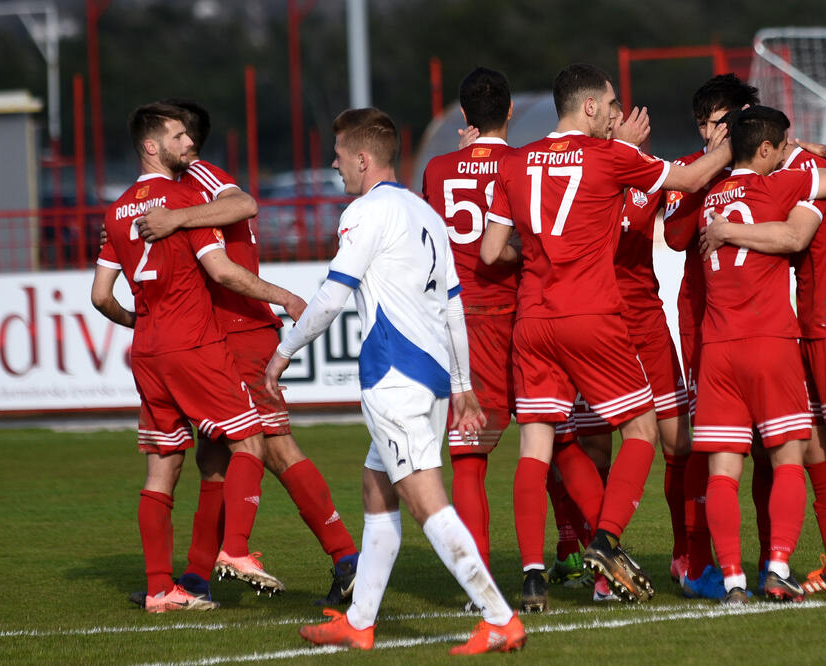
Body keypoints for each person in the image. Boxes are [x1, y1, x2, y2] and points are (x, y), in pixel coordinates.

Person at [265, 108, 525, 654]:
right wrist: (461, 385)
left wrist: (283, 351)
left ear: (363, 158)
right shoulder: (424, 213)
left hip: (394, 375)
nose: (333, 165)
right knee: (375, 489)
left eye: (338, 156)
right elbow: (454, 307)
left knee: (425, 500)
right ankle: (359, 622)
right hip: (428, 378)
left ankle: (499, 616)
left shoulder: (365, 212)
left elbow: (334, 296)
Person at [481, 63, 731, 609]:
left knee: (535, 446)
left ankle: (530, 578)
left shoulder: (516, 163)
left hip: (532, 319)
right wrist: (733, 145)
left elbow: (490, 251)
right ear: (590, 106)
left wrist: (545, 253)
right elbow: (689, 180)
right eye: (611, 101)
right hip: (591, 315)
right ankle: (607, 541)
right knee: (642, 430)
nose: (616, 110)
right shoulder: (609, 155)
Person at [133, 98, 360, 607]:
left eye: (184, 134)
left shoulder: (201, 175)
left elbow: (245, 203)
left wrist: (175, 220)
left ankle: (342, 558)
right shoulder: (167, 192)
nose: (184, 144)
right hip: (211, 337)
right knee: (214, 459)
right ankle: (194, 579)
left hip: (241, 331)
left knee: (272, 446)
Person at [91, 102, 301, 612]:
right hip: (194, 345)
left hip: (147, 350)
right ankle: (235, 550)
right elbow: (225, 273)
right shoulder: (184, 201)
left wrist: (138, 322)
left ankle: (161, 589)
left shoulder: (115, 211)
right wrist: (283, 296)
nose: (189, 143)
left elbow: (100, 297)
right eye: (178, 136)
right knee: (250, 440)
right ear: (151, 145)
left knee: (163, 468)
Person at [702, 140, 826, 600]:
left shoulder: (802, 172)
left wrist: (728, 231)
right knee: (812, 445)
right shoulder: (766, 181)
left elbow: (795, 237)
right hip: (808, 322)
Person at [661, 73, 769, 600]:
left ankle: (774, 558)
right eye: (708, 123)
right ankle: (692, 555)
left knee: (776, 444)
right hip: (704, 322)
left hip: (768, 322)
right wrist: (711, 171)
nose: (716, 132)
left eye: (724, 121)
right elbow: (677, 234)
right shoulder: (688, 170)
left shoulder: (773, 166)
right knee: (705, 444)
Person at [420, 67, 519, 577]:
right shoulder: (524, 164)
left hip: (461, 324)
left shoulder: (437, 169)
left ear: (463, 116)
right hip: (523, 317)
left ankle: (476, 579)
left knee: (469, 457)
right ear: (508, 111)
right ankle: (573, 557)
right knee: (557, 440)